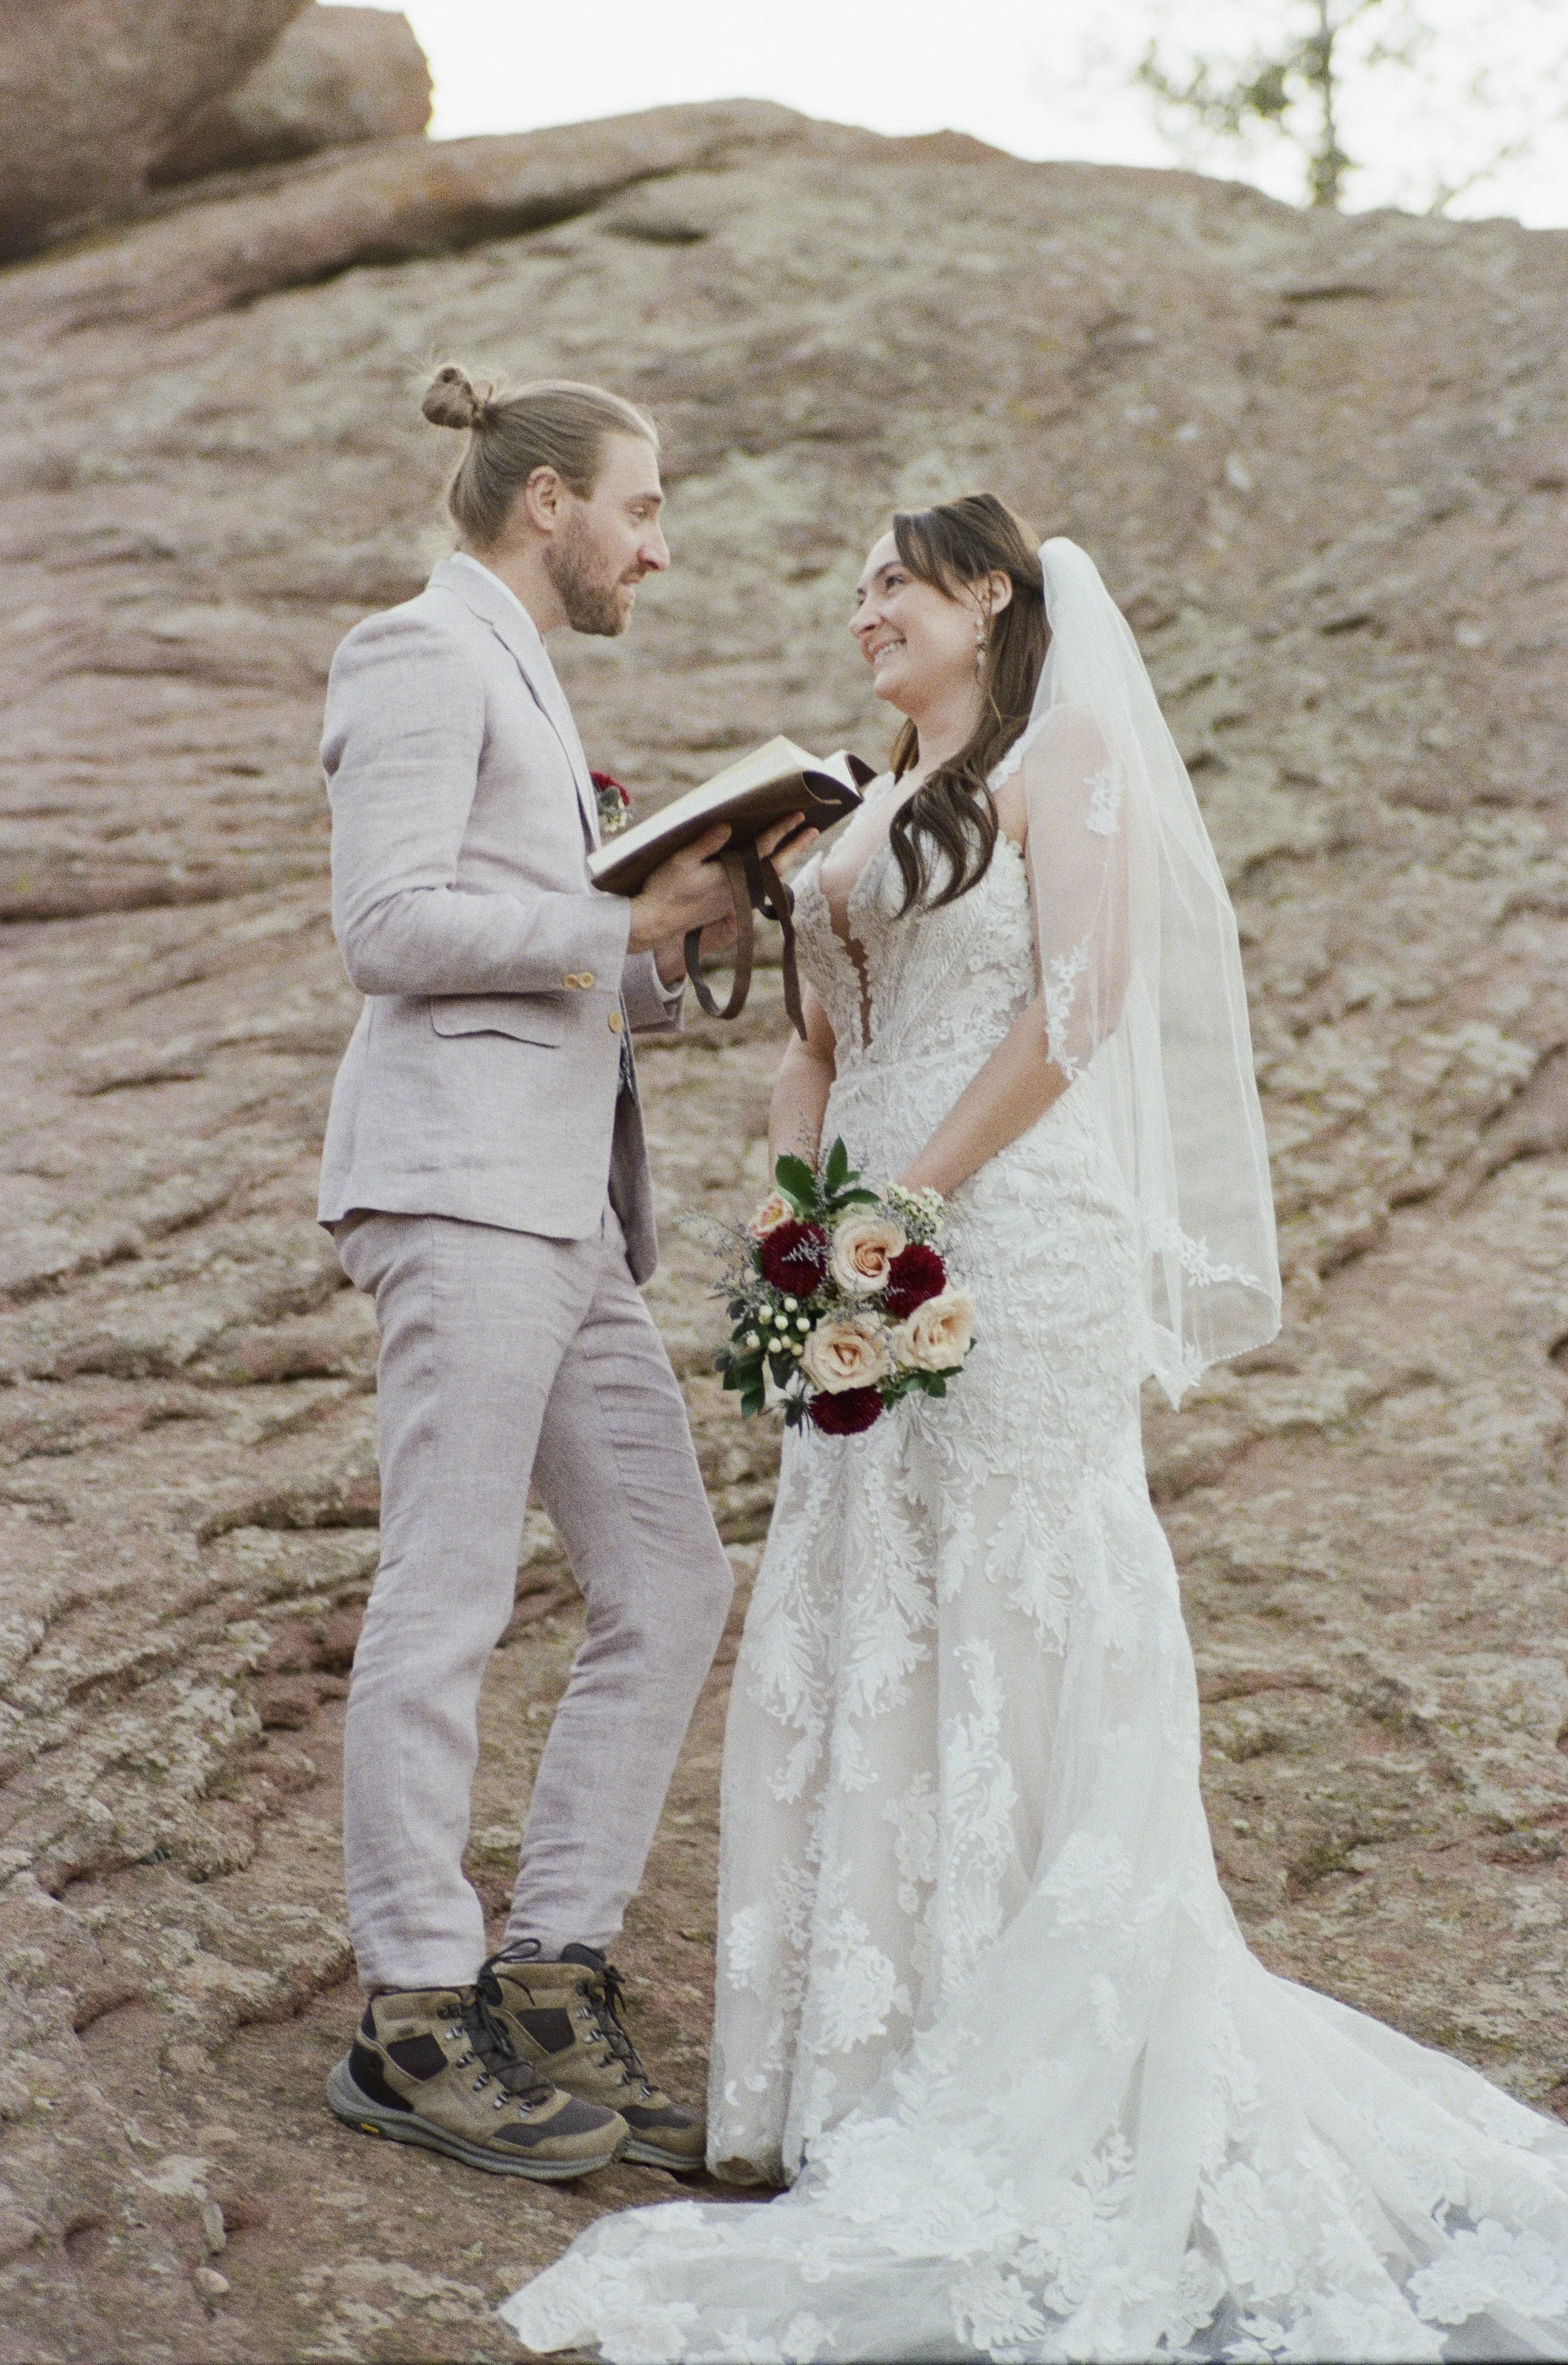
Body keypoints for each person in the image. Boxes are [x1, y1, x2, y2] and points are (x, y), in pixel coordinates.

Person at [503, 500, 1568, 2354]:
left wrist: (901, 1204)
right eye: (849, 588)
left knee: (1013, 1588)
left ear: (989, 594)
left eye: (894, 584)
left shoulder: (1060, 760)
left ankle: (1042, 2047)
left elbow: (1076, 1009)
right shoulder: (838, 821)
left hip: (1016, 1224)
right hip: (865, 1233)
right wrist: (791, 1214)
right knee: (862, 1597)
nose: (865, 611)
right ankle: (859, 2070)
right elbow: (813, 1043)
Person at [317, 364, 813, 2184]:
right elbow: (385, 926)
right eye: (643, 508)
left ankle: (548, 1969)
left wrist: (691, 918)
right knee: (443, 1594)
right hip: (454, 1186)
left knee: (672, 1581)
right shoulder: (416, 652)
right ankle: (411, 2012)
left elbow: (561, 949)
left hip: (566, 1205)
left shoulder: (523, 670)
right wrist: (620, 921)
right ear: (545, 504)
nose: (655, 550)